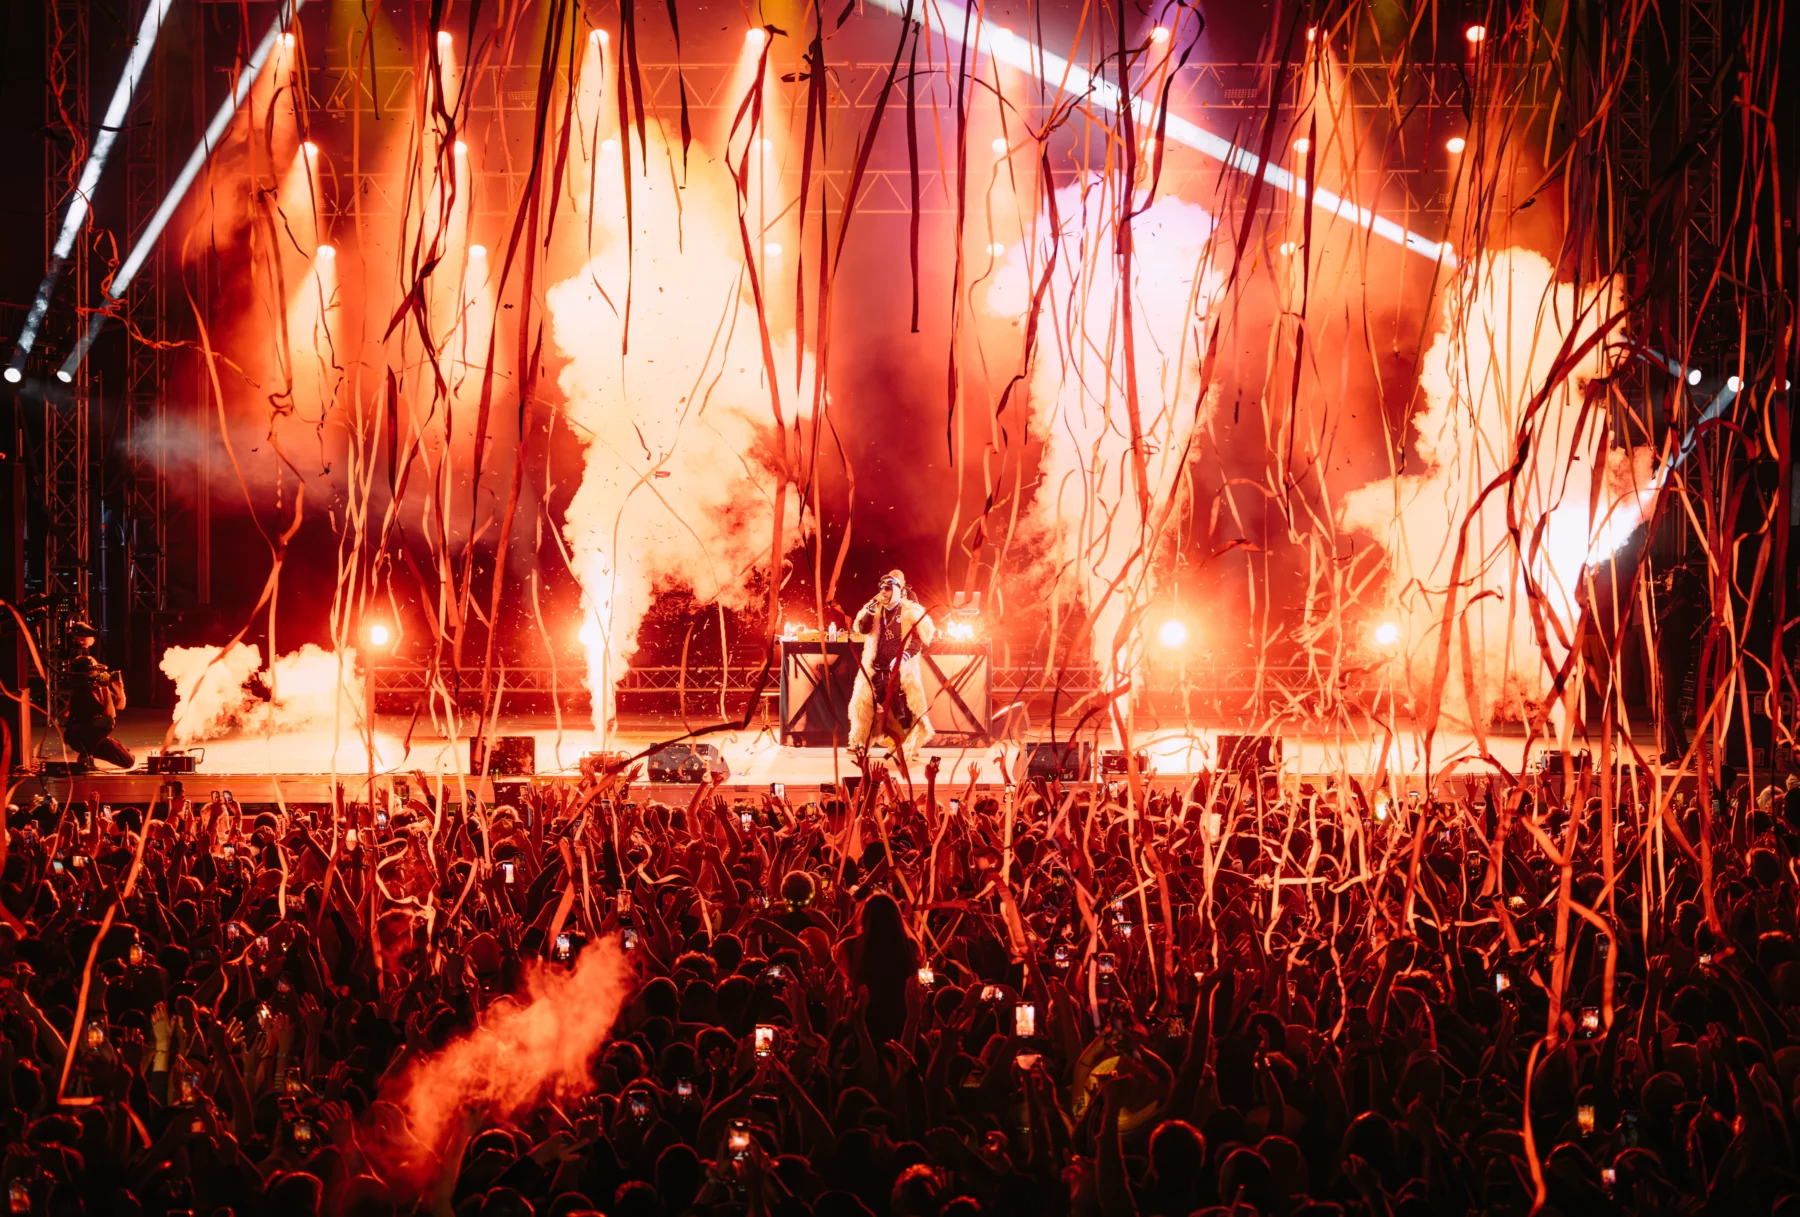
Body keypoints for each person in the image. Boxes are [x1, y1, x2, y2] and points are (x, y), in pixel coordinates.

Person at [847, 569, 935, 761]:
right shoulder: (875, 609)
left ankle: (908, 747)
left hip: (899, 671)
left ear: (897, 589)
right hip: (875, 669)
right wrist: (869, 611)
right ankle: (859, 743)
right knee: (865, 707)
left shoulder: (911, 611)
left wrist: (904, 656)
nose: (883, 592)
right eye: (881, 588)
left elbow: (919, 640)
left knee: (903, 710)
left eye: (887, 588)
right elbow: (862, 628)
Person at [60, 619, 135, 770]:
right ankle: (87, 756)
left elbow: (120, 705)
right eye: (95, 670)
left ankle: (92, 751)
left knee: (128, 762)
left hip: (95, 737)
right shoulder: (83, 690)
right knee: (107, 722)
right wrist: (106, 688)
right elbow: (111, 716)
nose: (99, 673)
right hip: (80, 736)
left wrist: (119, 689)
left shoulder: (97, 687)